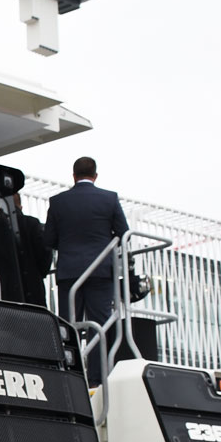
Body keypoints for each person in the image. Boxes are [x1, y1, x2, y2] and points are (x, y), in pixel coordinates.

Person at [41, 156, 129, 386]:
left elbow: (49, 238)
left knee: (68, 325)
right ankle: (96, 379)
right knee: (99, 324)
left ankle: (68, 374)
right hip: (100, 270)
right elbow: (123, 233)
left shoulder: (58, 201)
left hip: (70, 272)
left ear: (73, 175)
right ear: (95, 175)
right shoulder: (109, 199)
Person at [13, 191, 53, 307]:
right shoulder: (32, 224)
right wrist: (40, 273)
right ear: (20, 206)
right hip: (32, 288)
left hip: (3, 291)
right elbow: (45, 252)